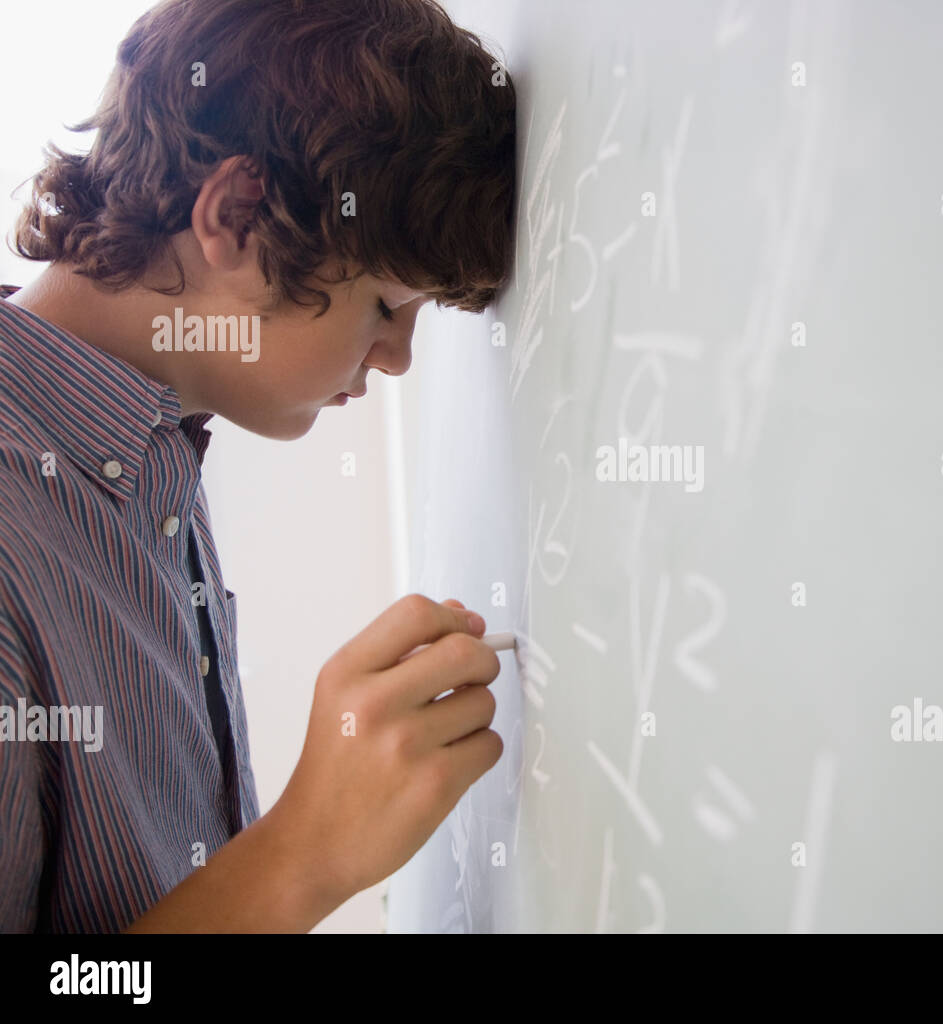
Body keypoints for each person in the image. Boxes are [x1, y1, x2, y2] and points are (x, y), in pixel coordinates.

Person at [0, 0, 517, 932]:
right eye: (386, 307)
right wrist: (305, 853)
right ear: (235, 218)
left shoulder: (148, 458)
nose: (397, 360)